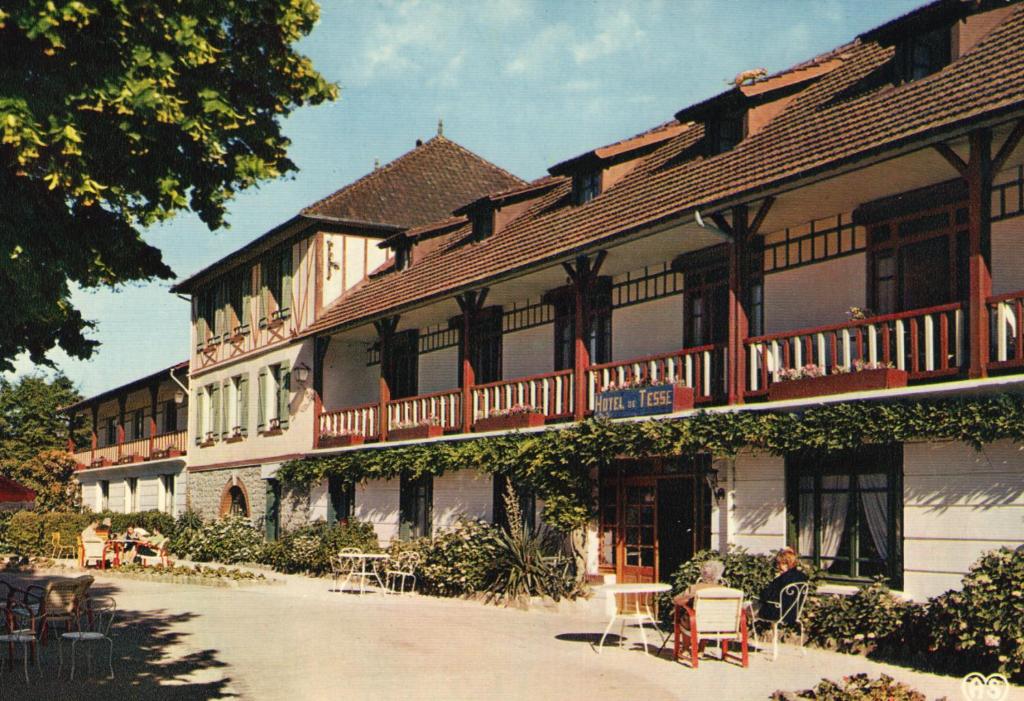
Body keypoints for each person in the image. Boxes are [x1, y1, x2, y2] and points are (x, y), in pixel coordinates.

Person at [757, 547, 808, 625]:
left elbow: (766, 596)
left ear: (786, 563)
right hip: (794, 614)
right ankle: (774, 635)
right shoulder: (802, 576)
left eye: (779, 563)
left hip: (778, 614)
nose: (777, 566)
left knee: (747, 609)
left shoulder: (782, 579)